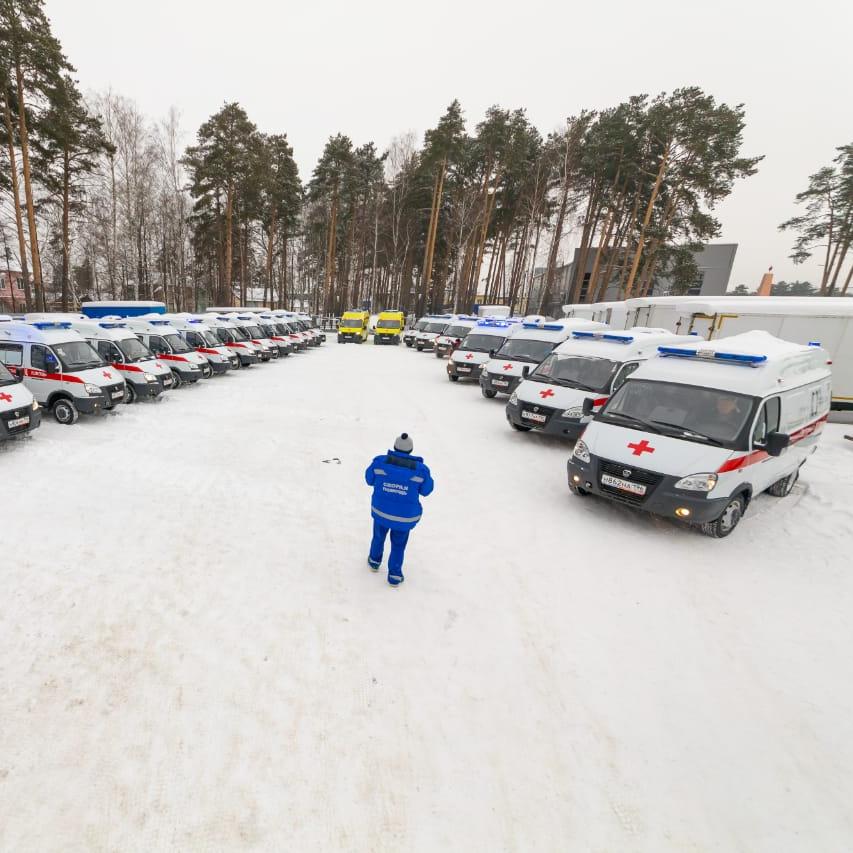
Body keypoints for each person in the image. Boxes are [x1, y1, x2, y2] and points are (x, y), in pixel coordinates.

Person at [364, 433, 434, 586]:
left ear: (395, 447)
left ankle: (374, 560)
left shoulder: (380, 462)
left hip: (381, 511)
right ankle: (395, 575)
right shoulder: (421, 470)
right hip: (404, 517)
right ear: (411, 450)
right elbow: (427, 490)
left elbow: (369, 479)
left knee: (378, 536)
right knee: (399, 544)